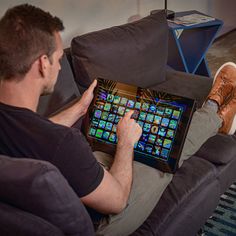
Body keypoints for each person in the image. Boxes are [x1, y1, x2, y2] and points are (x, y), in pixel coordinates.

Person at [0, 4, 235, 236]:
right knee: (164, 148)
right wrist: (125, 141)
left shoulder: (15, 122)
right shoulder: (63, 143)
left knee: (118, 138)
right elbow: (118, 200)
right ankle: (215, 112)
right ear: (42, 64)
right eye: (59, 59)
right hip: (102, 221)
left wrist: (80, 108)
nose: (60, 67)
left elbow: (34, 132)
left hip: (72, 185)